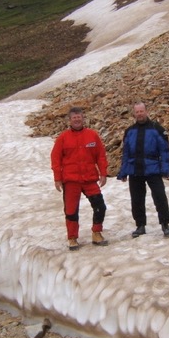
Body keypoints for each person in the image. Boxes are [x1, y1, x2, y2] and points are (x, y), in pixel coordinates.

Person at [50, 106, 110, 251]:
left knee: (100, 206)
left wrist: (103, 173)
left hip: (89, 179)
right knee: (71, 211)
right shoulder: (63, 138)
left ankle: (96, 232)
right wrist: (57, 178)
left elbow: (100, 156)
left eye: (79, 117)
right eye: (74, 118)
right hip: (71, 181)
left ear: (83, 118)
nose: (77, 120)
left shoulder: (92, 136)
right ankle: (72, 238)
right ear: (69, 121)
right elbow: (55, 159)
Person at [117, 101, 169, 238]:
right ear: (134, 114)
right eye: (137, 112)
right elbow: (126, 153)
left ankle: (165, 224)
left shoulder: (157, 129)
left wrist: (165, 168)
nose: (139, 114)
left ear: (146, 111)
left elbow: (165, 151)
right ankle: (140, 225)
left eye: (141, 111)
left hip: (153, 169)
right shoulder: (129, 131)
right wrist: (123, 171)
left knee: (160, 196)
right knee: (136, 199)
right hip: (135, 169)